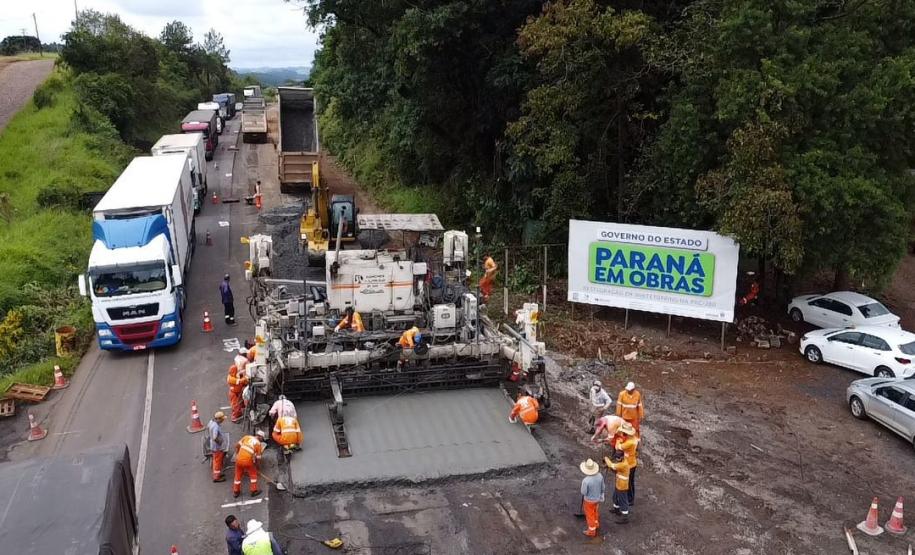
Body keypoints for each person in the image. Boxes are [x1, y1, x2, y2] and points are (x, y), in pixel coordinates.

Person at [233, 430, 265, 498]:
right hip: (247, 461)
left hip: (238, 459)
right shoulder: (258, 444)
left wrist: (237, 453)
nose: (262, 440)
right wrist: (257, 466)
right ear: (260, 437)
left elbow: (237, 445)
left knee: (238, 475)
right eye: (262, 439)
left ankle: (236, 492)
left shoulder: (247, 437)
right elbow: (258, 458)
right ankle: (253, 491)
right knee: (253, 475)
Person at [614, 421, 639, 507]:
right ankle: (630, 498)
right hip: (632, 462)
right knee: (631, 482)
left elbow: (618, 447)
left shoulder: (629, 442)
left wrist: (618, 440)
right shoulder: (634, 438)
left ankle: (630, 499)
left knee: (629, 483)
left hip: (629, 464)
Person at [579, 458, 605, 537]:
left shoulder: (586, 481)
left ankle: (591, 531)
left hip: (589, 501)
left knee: (589, 515)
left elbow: (583, 492)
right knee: (595, 511)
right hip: (597, 498)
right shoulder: (600, 476)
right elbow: (603, 487)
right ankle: (596, 523)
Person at [604, 450, 631, 523]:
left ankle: (625, 518)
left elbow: (612, 465)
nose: (617, 459)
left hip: (622, 486)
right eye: (617, 458)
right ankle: (616, 510)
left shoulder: (623, 464)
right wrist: (610, 467)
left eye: (618, 458)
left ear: (622, 457)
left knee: (623, 501)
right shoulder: (621, 462)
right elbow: (615, 470)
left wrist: (606, 459)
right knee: (615, 497)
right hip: (618, 483)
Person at [208, 411, 228, 482]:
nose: (223, 421)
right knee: (217, 462)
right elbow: (214, 437)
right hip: (217, 447)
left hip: (213, 446)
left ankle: (217, 474)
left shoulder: (211, 422)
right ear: (218, 419)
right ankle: (216, 477)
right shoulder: (216, 426)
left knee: (216, 460)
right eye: (222, 419)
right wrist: (220, 443)